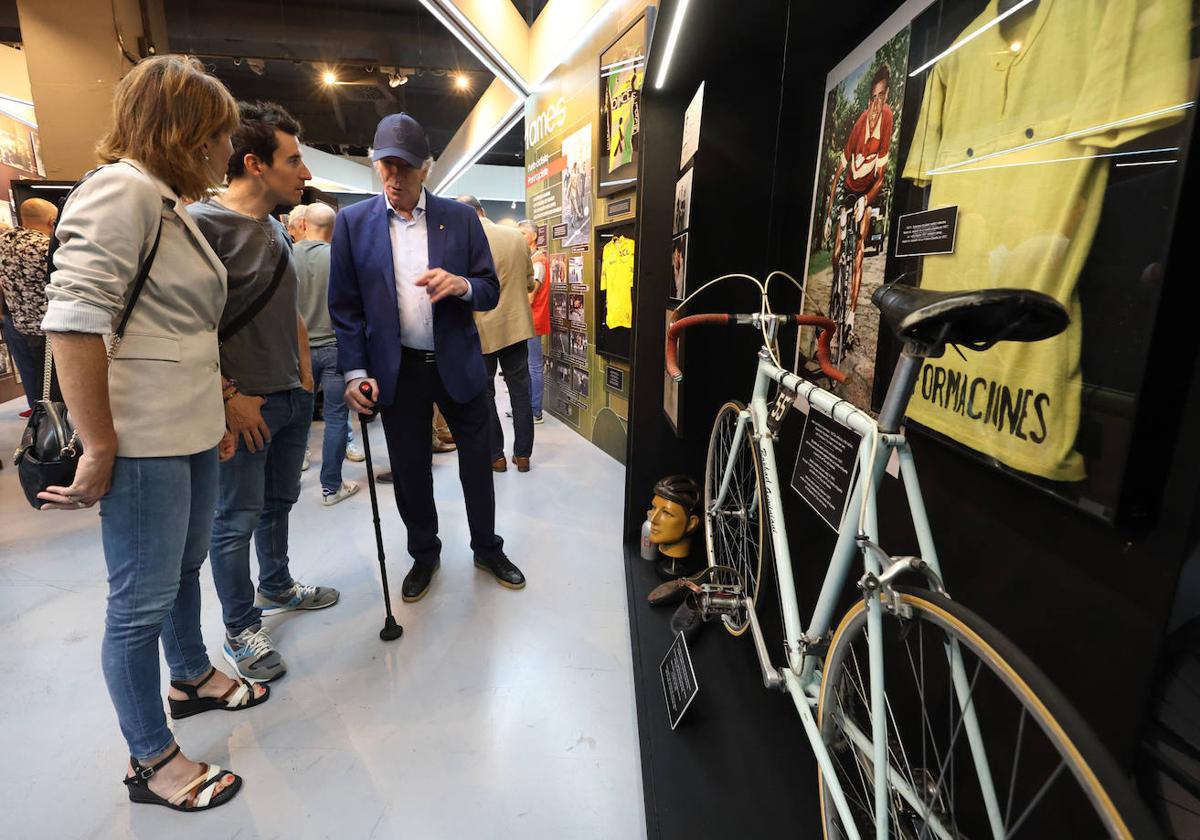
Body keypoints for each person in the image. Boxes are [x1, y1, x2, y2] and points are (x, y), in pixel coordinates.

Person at [39, 54, 264, 812]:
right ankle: (150, 757)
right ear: (190, 132)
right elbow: (71, 322)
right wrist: (99, 444)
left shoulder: (166, 203)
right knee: (137, 601)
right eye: (222, 134)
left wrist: (217, 406)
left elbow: (179, 329)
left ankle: (192, 674)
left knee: (183, 567)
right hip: (140, 437)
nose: (229, 150)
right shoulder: (122, 191)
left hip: (185, 426)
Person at [330, 112, 526, 603]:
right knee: (411, 470)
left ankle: (486, 546)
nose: (394, 177)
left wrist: (460, 285)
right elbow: (346, 308)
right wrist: (354, 371)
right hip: (398, 372)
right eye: (385, 166)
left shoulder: (459, 219)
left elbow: (489, 289)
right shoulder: (353, 225)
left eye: (404, 166)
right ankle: (425, 553)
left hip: (460, 366)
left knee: (478, 465)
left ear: (426, 168)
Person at [190, 101, 338, 684]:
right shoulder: (204, 225)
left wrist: (303, 377)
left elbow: (289, 313)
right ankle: (239, 626)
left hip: (289, 394)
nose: (305, 173)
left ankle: (276, 584)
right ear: (254, 163)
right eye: (294, 161)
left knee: (278, 503)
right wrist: (229, 396)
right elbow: (190, 326)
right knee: (235, 519)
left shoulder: (276, 226)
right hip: (243, 403)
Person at [456, 195, 536, 472]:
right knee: (520, 392)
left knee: (485, 394)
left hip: (481, 331)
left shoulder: (461, 244)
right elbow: (529, 282)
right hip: (516, 327)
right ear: (483, 210)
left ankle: (496, 457)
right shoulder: (515, 237)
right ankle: (523, 455)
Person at [821, 63, 893, 348]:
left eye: (882, 97)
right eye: (873, 98)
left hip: (868, 190)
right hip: (850, 189)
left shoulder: (887, 119)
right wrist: (829, 215)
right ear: (868, 100)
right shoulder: (860, 124)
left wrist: (867, 199)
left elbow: (882, 177)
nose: (877, 104)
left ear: (886, 97)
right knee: (839, 253)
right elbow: (838, 173)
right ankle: (835, 300)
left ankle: (849, 318)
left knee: (859, 247)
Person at [294, 201, 359, 505]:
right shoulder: (341, 259)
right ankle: (330, 489)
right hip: (336, 349)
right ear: (333, 229)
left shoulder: (285, 255)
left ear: (303, 222)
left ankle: (291, 478)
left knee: (298, 418)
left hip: (296, 353)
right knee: (336, 418)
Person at [0, 198, 58, 409]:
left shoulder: (4, 242)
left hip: (15, 323)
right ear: (52, 221)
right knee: (54, 388)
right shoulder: (45, 247)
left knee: (32, 383)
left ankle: (37, 430)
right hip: (48, 328)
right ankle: (57, 431)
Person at [517, 220, 548, 423]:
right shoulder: (529, 260)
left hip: (532, 321)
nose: (518, 237)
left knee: (534, 366)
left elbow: (530, 296)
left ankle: (535, 410)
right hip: (526, 322)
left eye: (522, 233)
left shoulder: (537, 261)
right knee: (526, 367)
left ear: (534, 236)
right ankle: (526, 408)